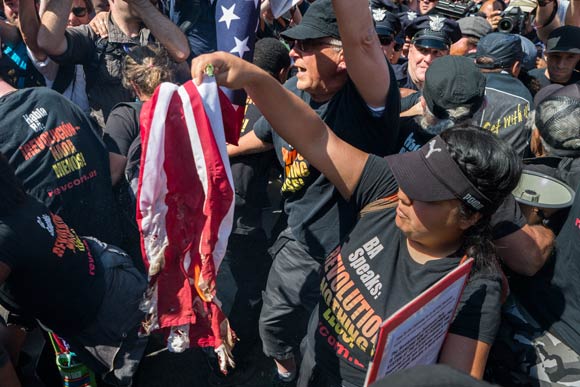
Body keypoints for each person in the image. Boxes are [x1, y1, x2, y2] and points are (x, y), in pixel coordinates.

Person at [190, 50, 522, 387]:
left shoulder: (473, 287)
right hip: (313, 365)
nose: (406, 194)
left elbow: (453, 380)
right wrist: (253, 78)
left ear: (469, 216)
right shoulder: (386, 191)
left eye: (426, 194)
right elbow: (316, 137)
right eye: (413, 178)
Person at [228, 0, 400, 383]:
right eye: (295, 44)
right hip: (301, 241)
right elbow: (261, 135)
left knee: (323, 349)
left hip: (356, 254)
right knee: (273, 327)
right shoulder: (291, 90)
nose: (294, 52)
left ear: (342, 57)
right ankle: (284, 374)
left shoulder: (367, 102)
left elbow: (363, 39)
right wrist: (216, 151)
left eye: (307, 45)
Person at [0, 152, 147, 387]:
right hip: (109, 272)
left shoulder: (5, 236)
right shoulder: (16, 201)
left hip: (109, 315)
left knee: (130, 374)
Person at [37, 0, 190, 127]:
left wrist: (143, 5)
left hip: (158, 143)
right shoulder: (95, 35)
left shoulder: (158, 31)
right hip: (116, 150)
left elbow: (181, 52)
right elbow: (48, 42)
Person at [473, 33, 534, 157]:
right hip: (504, 172)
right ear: (516, 67)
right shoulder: (523, 97)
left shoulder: (457, 81)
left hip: (452, 168)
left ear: (476, 61)